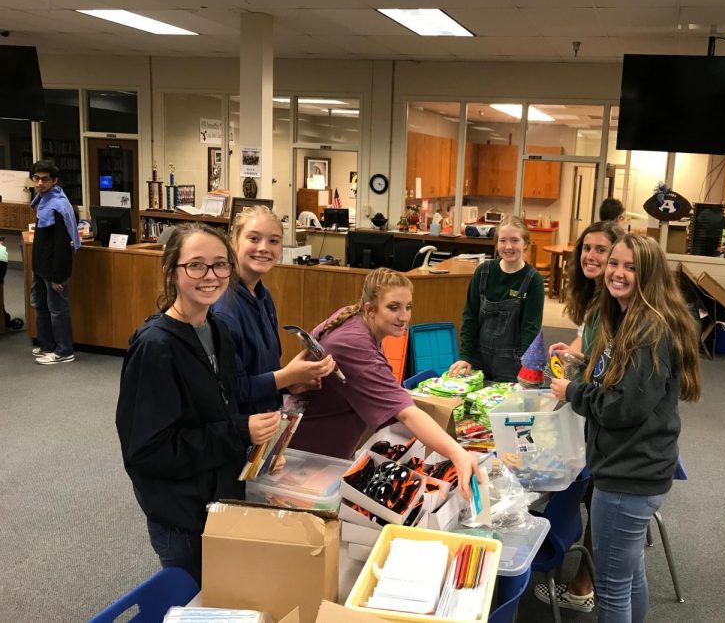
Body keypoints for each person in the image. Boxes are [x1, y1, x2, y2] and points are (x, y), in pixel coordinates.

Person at [115, 223, 282, 585]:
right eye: (196, 265)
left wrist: (258, 447)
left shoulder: (217, 329)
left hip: (220, 500)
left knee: (229, 591)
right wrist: (239, 431)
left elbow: (222, 407)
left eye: (220, 264)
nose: (211, 276)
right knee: (196, 597)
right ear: (171, 272)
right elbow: (149, 452)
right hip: (182, 515)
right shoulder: (155, 348)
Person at [549, 234, 701, 623]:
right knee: (630, 576)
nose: (617, 272)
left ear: (647, 274)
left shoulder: (648, 330)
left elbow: (623, 407)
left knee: (613, 589)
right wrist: (580, 367)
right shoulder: (626, 318)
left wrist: (573, 392)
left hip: (627, 476)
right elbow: (615, 382)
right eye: (614, 263)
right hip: (632, 468)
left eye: (630, 267)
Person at [288, 267, 481, 498]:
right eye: (393, 307)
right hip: (306, 460)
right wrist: (458, 454)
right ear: (370, 308)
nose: (404, 317)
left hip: (322, 455)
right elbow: (406, 412)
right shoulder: (354, 343)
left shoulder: (356, 318)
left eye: (408, 307)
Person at [533, 220, 624, 614]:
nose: (591, 256)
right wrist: (574, 355)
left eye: (601, 250)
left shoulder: (618, 305)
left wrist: (573, 381)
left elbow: (612, 370)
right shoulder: (598, 300)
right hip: (595, 408)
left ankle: (583, 585)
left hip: (608, 422)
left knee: (588, 491)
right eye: (586, 248)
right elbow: (592, 349)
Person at [212, 205, 335, 415]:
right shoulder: (223, 308)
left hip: (267, 421)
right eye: (253, 238)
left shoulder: (263, 295)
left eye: (274, 241)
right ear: (233, 241)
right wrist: (287, 376)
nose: (264, 248)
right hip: (239, 432)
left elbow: (262, 371)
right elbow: (231, 391)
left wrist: (289, 383)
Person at [447, 216, 544, 382]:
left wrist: (524, 367)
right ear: (497, 243)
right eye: (503, 240)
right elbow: (470, 317)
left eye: (515, 240)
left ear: (526, 243)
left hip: (512, 365)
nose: (508, 246)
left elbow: (531, 328)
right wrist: (465, 356)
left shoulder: (533, 280)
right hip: (478, 361)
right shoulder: (483, 272)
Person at [30, 159, 80, 364]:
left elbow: (62, 243)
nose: (40, 183)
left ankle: (64, 351)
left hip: (53, 269)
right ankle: (47, 345)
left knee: (58, 310)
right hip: (40, 266)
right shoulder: (42, 200)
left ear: (55, 181)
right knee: (40, 306)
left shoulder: (58, 206)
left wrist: (59, 275)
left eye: (45, 179)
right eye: (37, 178)